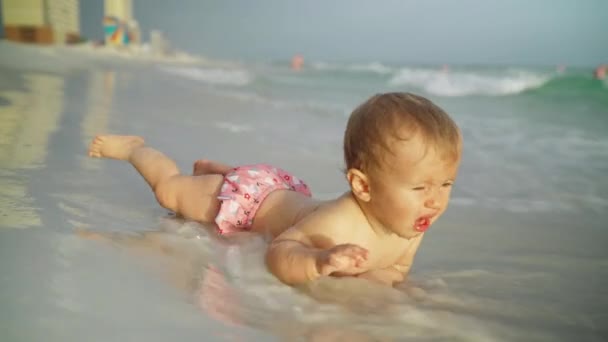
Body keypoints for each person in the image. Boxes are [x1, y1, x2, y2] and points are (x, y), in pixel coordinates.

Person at [86, 92, 462, 287]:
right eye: (420, 187)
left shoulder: (412, 223)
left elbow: (393, 267)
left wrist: (384, 290)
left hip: (285, 191)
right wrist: (317, 262)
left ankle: (216, 170)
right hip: (249, 201)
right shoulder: (337, 223)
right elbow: (279, 253)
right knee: (170, 193)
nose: (436, 199)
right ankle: (135, 148)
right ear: (362, 186)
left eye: (446, 184)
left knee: (217, 182)